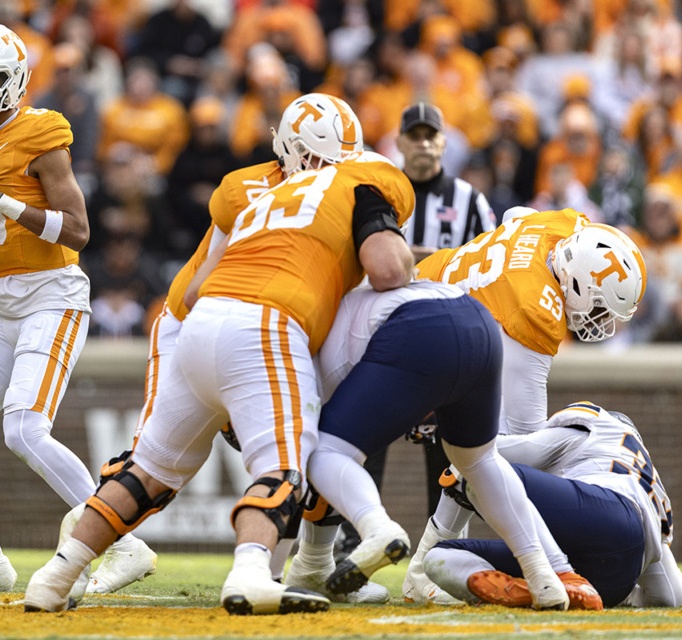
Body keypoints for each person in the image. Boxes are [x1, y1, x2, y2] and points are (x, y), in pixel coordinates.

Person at [22, 92, 417, 615]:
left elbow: (191, 291)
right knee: (284, 468)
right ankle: (253, 571)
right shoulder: (363, 184)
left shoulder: (260, 198)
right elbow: (390, 271)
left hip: (200, 323)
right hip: (268, 324)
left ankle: (56, 575)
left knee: (147, 471)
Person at [0, 22, 155, 595]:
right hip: (2, 299)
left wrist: (0, 199)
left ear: (17, 77)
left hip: (54, 290)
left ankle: (124, 544)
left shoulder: (43, 131)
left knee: (24, 429)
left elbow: (78, 230)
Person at [296, 280, 601, 611]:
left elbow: (307, 469)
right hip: (476, 320)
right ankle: (543, 574)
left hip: (416, 331)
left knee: (326, 452)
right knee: (480, 460)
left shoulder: (290, 360)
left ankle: (377, 529)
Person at [403, 208, 648, 604]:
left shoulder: (566, 227)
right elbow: (525, 448)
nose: (600, 320)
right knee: (497, 455)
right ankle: (539, 567)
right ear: (581, 282)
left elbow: (516, 214)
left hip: (430, 293)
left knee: (483, 448)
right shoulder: (534, 311)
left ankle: (419, 569)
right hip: (419, 330)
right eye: (600, 306)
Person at [337, 102, 497, 559]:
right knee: (367, 432)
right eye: (415, 136)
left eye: (432, 136)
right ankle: (353, 536)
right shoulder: (382, 193)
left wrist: (420, 255)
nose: (424, 144)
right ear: (401, 142)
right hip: (385, 331)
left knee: (446, 449)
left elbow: (491, 259)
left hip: (446, 334)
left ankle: (442, 549)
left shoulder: (469, 199)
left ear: (443, 143)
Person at [420, 402, 682, 609]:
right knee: (441, 558)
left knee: (476, 468)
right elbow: (670, 595)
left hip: (605, 517)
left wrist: (456, 434)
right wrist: (627, 594)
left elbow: (499, 453)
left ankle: (562, 574)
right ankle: (541, 589)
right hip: (614, 580)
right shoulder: (651, 491)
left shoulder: (594, 431)